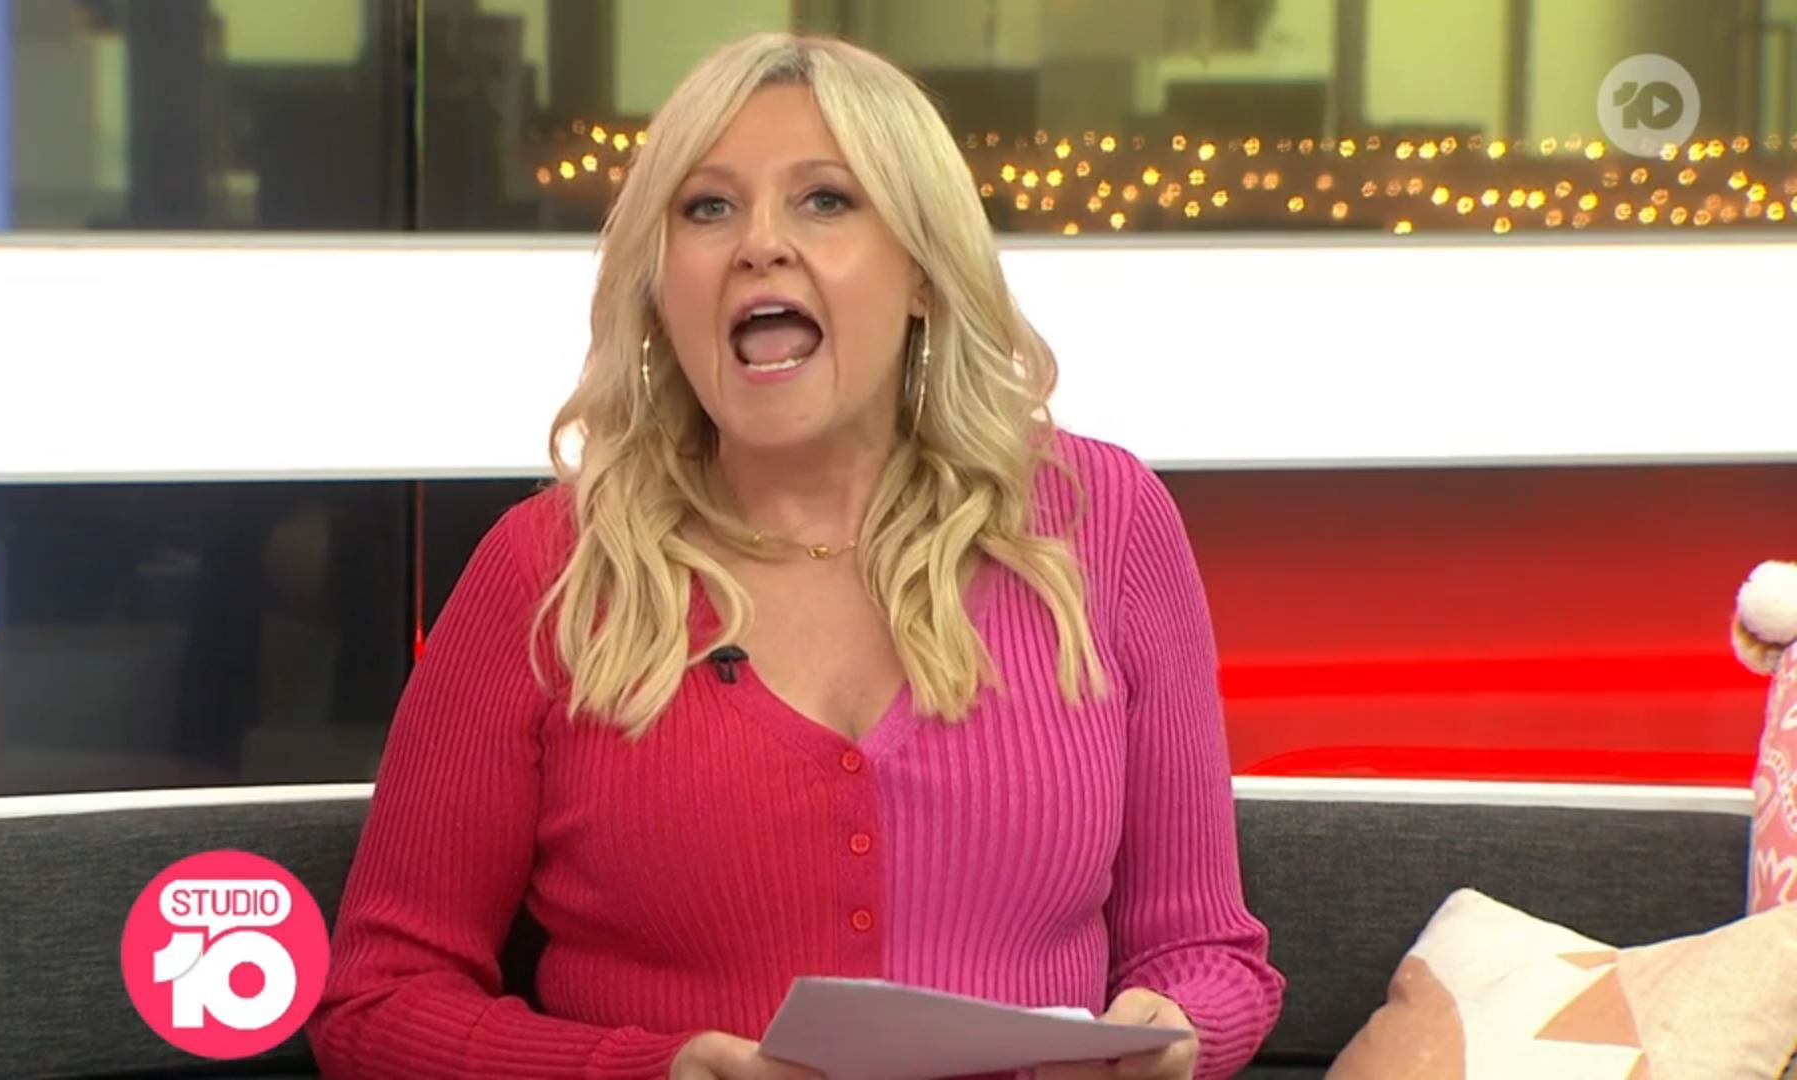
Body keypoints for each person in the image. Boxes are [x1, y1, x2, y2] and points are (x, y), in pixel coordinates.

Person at [307, 31, 1284, 1080]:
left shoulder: (1100, 522)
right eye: (707, 208)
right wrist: (654, 1072)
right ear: (661, 285)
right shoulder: (550, 568)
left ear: (922, 274)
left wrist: (1178, 1033)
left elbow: (1208, 955)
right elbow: (377, 1005)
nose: (758, 245)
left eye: (824, 199)